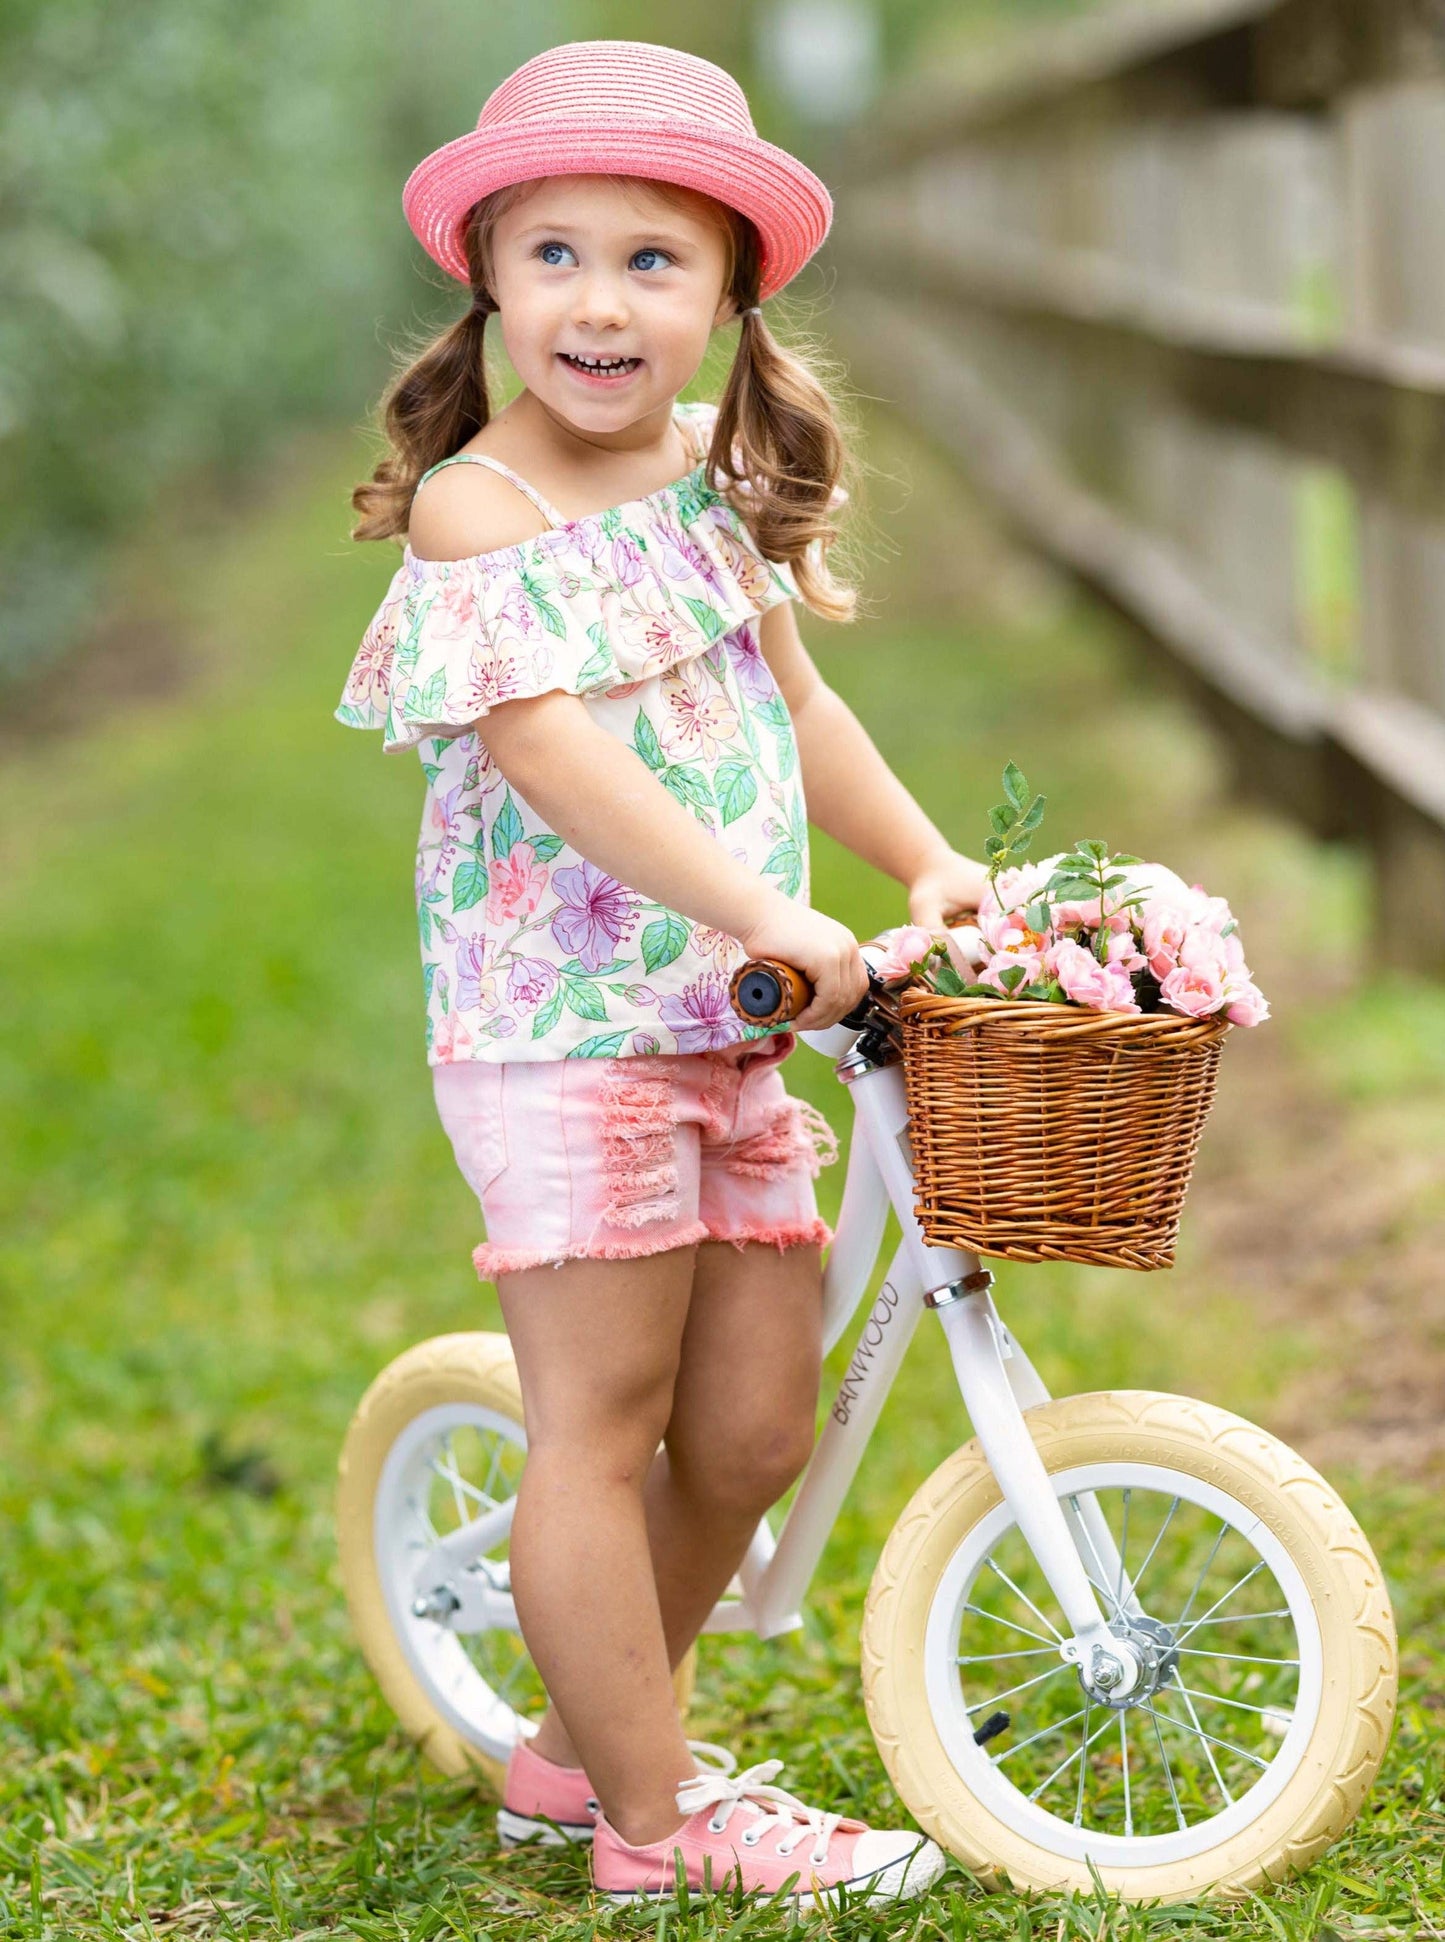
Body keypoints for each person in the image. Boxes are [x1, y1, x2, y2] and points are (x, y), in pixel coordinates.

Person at [339, 38, 986, 1906]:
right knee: (603, 1423)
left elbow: (796, 703)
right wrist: (770, 916)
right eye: (554, 255)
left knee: (756, 1423)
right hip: (566, 1036)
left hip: (731, 1023)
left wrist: (919, 858)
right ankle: (653, 1816)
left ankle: (570, 1746)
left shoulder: (707, 479)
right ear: (487, 283)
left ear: (725, 296)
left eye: (651, 260)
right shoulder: (486, 513)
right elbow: (559, 756)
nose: (598, 300)